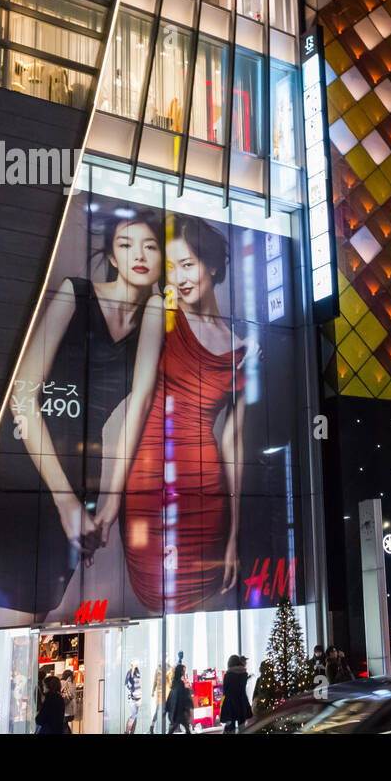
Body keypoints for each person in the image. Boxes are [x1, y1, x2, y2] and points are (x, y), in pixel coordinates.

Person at [0, 211, 165, 624]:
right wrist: (66, 500)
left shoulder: (154, 311)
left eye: (151, 246)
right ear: (111, 255)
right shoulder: (76, 292)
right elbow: (22, 395)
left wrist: (109, 504)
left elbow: (137, 406)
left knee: (35, 607)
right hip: (25, 454)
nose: (138, 255)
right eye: (126, 245)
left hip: (79, 464)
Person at [114, 216, 247, 614]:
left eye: (187, 264)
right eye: (171, 268)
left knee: (199, 601)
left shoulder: (242, 351)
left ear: (212, 265)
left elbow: (232, 444)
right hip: (148, 485)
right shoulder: (163, 311)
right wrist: (108, 501)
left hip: (208, 496)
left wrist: (234, 534)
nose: (179, 278)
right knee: (157, 596)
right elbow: (138, 401)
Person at [219, 654, 252, 733]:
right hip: (242, 701)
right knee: (242, 725)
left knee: (230, 726)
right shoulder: (244, 674)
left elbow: (225, 690)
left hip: (230, 702)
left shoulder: (228, 675)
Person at [165, 664, 194, 733]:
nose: (184, 673)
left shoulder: (175, 682)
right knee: (183, 726)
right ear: (181, 672)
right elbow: (180, 696)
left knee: (182, 726)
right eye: (183, 671)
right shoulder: (179, 683)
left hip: (177, 710)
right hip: (179, 710)